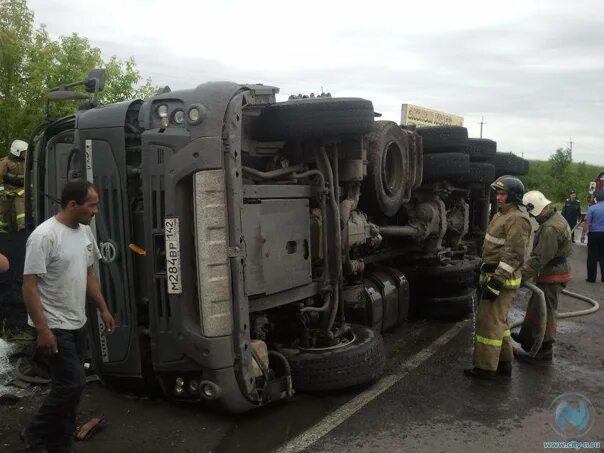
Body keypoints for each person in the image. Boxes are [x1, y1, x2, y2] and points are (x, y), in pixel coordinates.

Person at [21, 179, 115, 453]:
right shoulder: (44, 236)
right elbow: (29, 285)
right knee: (72, 384)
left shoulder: (84, 232)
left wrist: (103, 308)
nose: (95, 210)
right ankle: (35, 432)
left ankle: (59, 446)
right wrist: (42, 329)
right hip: (53, 325)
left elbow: (88, 274)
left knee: (70, 390)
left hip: (77, 322)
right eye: (91, 204)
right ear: (72, 204)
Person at [464, 175, 531, 380]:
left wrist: (497, 280)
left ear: (513, 196)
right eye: (498, 194)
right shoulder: (501, 215)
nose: (499, 198)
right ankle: (504, 362)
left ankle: (485, 369)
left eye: (503, 194)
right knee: (498, 322)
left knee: (488, 324)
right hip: (493, 274)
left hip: (502, 279)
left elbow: (514, 254)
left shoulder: (517, 219)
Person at [513, 191, 571, 361]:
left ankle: (544, 348)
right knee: (535, 306)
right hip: (553, 271)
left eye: (531, 212)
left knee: (546, 311)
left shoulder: (550, 229)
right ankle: (528, 338)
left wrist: (520, 276)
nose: (532, 216)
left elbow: (539, 258)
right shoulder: (555, 218)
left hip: (552, 273)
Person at [0, 139, 27, 232]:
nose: (25, 154)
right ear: (17, 152)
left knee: (20, 205)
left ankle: (22, 226)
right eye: (24, 152)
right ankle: (4, 227)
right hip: (7, 190)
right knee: (5, 211)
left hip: (20, 190)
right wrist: (1, 191)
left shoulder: (25, 161)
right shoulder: (5, 162)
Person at [583, 189, 604, 283]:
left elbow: (587, 223)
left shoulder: (592, 208)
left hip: (594, 234)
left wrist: (583, 235)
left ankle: (591, 278)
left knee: (592, 256)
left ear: (596, 199)